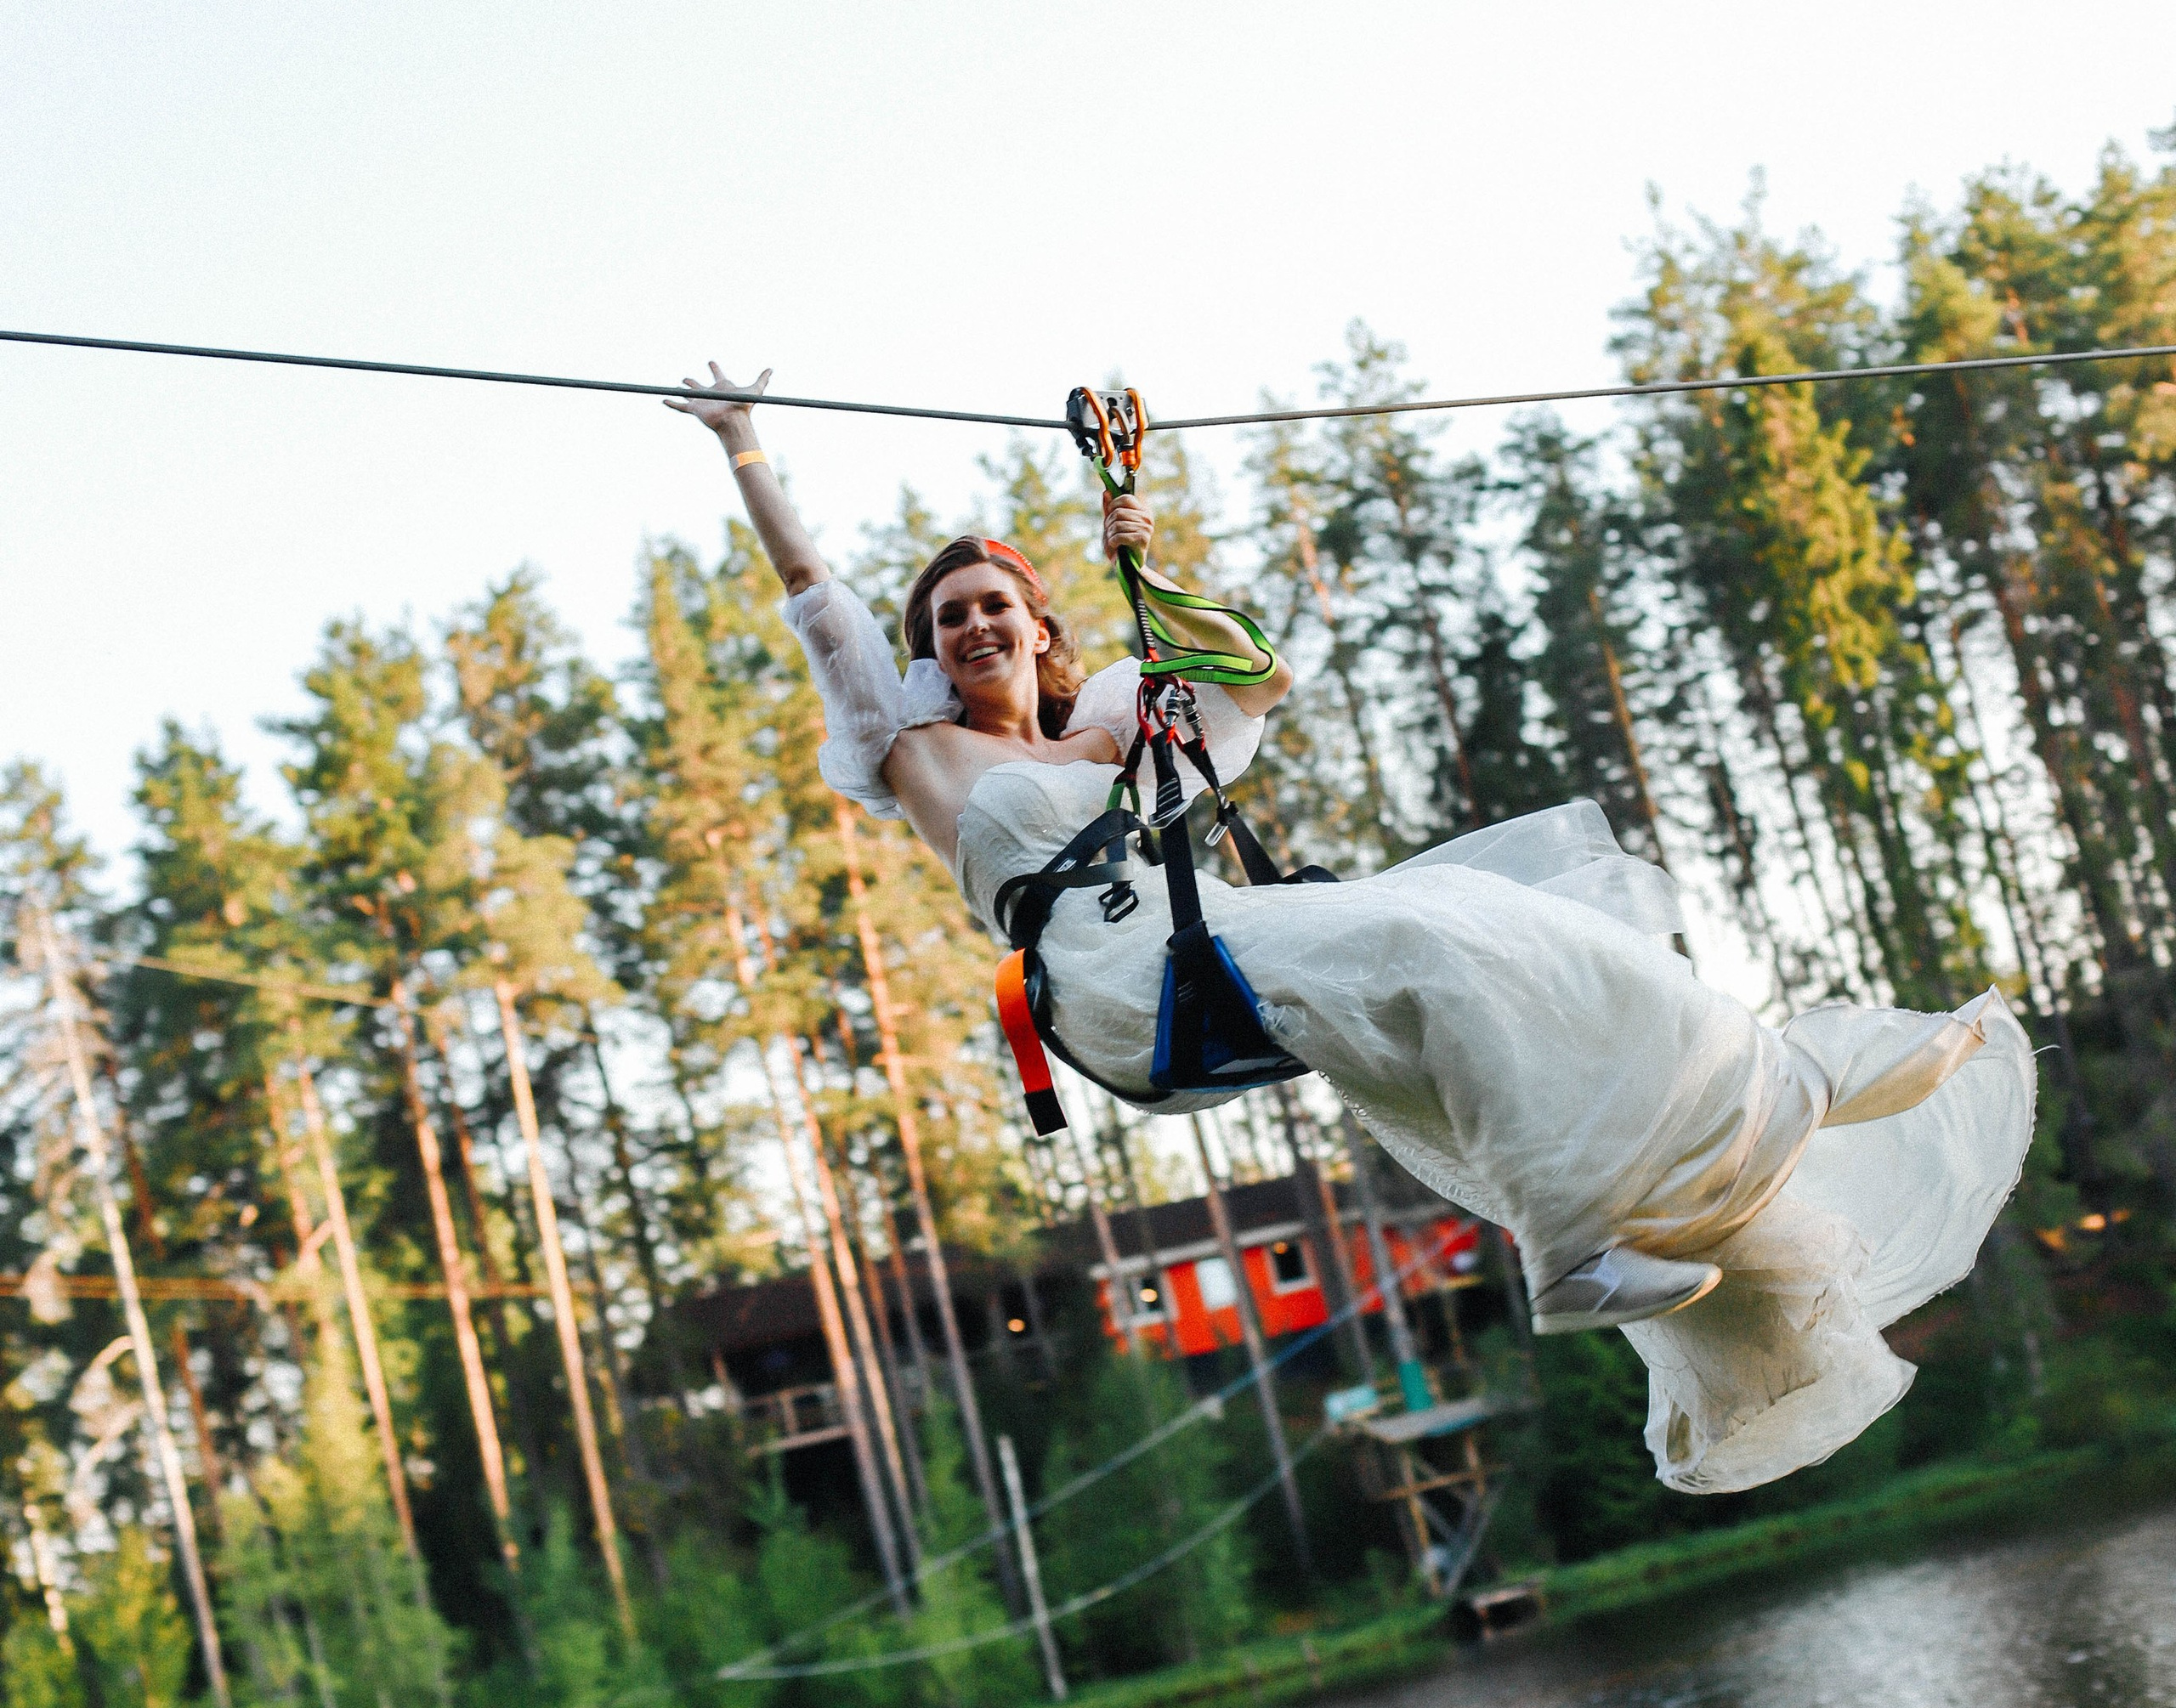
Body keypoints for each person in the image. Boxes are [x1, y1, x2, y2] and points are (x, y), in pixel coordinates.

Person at [672, 364, 2034, 1496]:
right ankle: (1567, 1254)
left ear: (1039, 630)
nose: (972, 626)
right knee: (1432, 944)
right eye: (948, 616)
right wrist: (744, 445)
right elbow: (816, 598)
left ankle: (1752, 1096)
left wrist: (1152, 573)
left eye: (996, 608)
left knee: (1507, 931)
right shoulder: (910, 753)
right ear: (928, 647)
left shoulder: (1111, 725)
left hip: (1218, 943)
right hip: (1123, 984)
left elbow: (1259, 674)